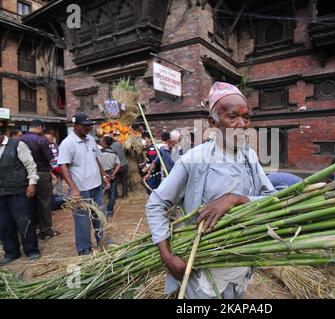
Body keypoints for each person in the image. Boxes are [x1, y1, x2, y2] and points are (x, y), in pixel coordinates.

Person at [146, 81, 275, 299]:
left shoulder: (249, 156)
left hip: (240, 260)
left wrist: (236, 199)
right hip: (202, 268)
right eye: (232, 116)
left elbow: (271, 198)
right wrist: (167, 258)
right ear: (212, 122)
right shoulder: (194, 160)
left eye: (246, 117)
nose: (242, 124)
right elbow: (156, 204)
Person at [58, 112, 111, 256]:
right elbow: (64, 167)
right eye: (84, 126)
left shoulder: (91, 139)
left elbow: (97, 159)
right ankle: (84, 249)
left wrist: (103, 175)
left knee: (100, 216)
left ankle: (105, 243)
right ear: (75, 125)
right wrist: (73, 188)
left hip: (96, 187)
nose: (88, 128)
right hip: (80, 190)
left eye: (89, 126)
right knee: (82, 221)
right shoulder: (67, 143)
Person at [0, 129, 41, 265]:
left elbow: (30, 165)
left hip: (19, 190)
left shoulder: (17, 144)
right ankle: (11, 252)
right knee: (4, 224)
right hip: (1, 192)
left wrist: (32, 183)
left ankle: (31, 250)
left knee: (24, 221)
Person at [20, 120, 60, 240]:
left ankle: (32, 228)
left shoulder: (20, 140)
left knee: (29, 202)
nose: (42, 131)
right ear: (39, 127)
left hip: (25, 174)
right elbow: (50, 159)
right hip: (41, 173)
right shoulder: (41, 140)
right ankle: (46, 230)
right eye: (42, 129)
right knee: (44, 202)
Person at [99, 136, 121, 217]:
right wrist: (113, 174)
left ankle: (100, 210)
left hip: (101, 173)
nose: (100, 142)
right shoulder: (114, 152)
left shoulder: (99, 152)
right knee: (112, 193)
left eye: (102, 140)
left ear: (104, 142)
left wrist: (103, 173)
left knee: (100, 192)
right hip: (111, 173)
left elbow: (97, 163)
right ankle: (109, 210)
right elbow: (118, 164)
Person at [110, 135, 129, 199]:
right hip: (124, 165)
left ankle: (115, 195)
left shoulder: (109, 147)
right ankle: (125, 195)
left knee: (114, 181)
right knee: (124, 181)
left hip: (115, 167)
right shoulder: (119, 144)